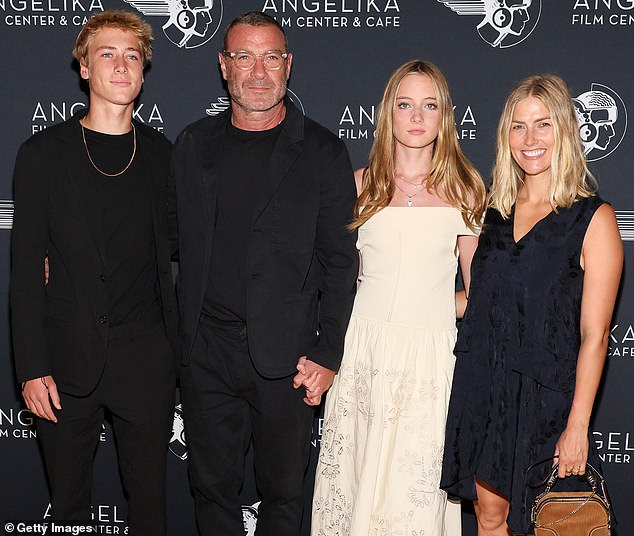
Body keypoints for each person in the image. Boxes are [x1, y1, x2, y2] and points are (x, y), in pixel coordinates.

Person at [168, 11, 358, 536]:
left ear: (287, 65)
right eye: (244, 57)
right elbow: (160, 235)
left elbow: (342, 262)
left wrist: (327, 353)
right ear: (224, 66)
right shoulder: (190, 145)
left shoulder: (322, 152)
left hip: (289, 357)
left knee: (283, 493)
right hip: (205, 353)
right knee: (210, 489)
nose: (258, 71)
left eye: (270, 57)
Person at [10, 11, 178, 535]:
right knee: (68, 509)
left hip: (146, 360)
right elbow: (22, 271)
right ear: (84, 67)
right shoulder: (42, 155)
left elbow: (186, 249)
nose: (121, 65)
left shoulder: (162, 154)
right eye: (107, 54)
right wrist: (31, 367)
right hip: (63, 362)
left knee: (150, 507)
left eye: (132, 56)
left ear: (144, 72)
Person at [440, 74, 623, 535]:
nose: (530, 139)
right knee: (489, 517)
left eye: (543, 124)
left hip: (550, 398)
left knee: (549, 523)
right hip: (485, 388)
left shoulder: (592, 217)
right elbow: (478, 303)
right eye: (518, 127)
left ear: (563, 129)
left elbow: (595, 335)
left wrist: (578, 423)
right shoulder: (494, 213)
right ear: (506, 136)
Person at [311, 60, 487, 535]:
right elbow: (343, 278)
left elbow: (479, 297)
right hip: (363, 354)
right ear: (388, 112)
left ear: (443, 116)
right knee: (358, 485)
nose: (416, 116)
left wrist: (428, 307)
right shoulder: (359, 186)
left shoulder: (465, 190)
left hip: (430, 361)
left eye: (428, 105)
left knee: (417, 491)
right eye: (405, 104)